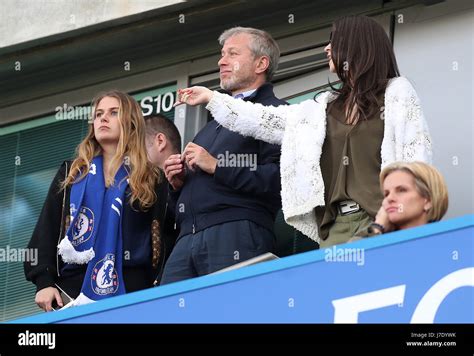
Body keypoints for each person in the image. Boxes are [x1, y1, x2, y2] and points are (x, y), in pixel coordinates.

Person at [174, 16, 433, 248]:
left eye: (334, 41)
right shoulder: (325, 107)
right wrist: (211, 98)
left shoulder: (396, 91)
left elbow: (416, 160)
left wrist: (395, 217)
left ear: (357, 44)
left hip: (384, 219)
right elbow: (264, 119)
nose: (327, 48)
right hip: (336, 229)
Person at [24, 91, 177, 311]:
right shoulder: (72, 172)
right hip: (71, 293)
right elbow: (46, 229)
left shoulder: (151, 178)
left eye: (113, 113)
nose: (103, 119)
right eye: (98, 114)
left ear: (131, 123)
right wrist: (44, 282)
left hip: (133, 291)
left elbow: (167, 236)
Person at [160, 27, 287, 284]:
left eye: (232, 53)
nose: (221, 61)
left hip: (237, 233)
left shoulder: (276, 113)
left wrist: (218, 166)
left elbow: (280, 180)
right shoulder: (210, 126)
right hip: (186, 239)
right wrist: (177, 185)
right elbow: (186, 200)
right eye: (221, 54)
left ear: (261, 63)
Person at [352, 162, 448, 238]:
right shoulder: (382, 242)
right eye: (386, 194)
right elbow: (350, 259)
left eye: (401, 190)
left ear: (428, 200)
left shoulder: (448, 241)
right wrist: (377, 227)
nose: (389, 198)